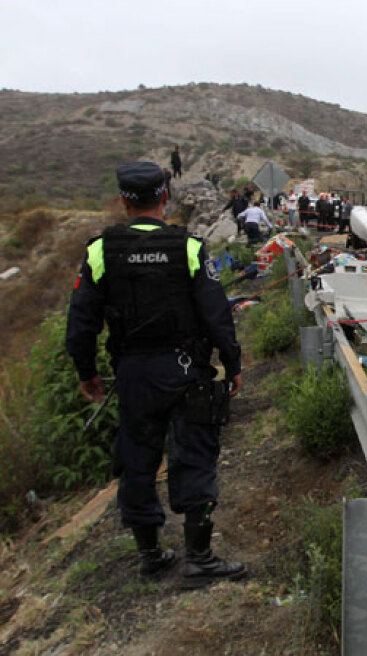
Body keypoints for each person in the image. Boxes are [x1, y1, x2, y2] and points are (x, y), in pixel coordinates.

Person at [66, 161, 246, 589]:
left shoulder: (99, 251)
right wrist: (233, 363)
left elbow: (81, 323)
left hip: (133, 374)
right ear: (165, 196)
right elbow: (217, 313)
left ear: (124, 200)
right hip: (186, 371)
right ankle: (198, 558)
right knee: (195, 456)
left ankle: (150, 554)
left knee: (136, 460)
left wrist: (87, 372)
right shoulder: (188, 248)